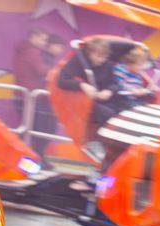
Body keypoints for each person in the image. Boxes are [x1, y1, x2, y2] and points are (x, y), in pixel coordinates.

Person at [56, 38, 117, 145]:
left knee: (121, 111)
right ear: (90, 52)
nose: (102, 60)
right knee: (108, 114)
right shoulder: (79, 61)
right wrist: (82, 85)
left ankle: (107, 144)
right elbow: (61, 81)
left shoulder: (107, 65)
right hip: (78, 100)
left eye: (104, 57)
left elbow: (115, 84)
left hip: (99, 100)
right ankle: (100, 144)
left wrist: (109, 91)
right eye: (99, 56)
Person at [13, 28, 57, 157]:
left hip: (23, 95)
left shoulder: (24, 50)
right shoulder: (32, 52)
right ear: (33, 37)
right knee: (33, 129)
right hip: (29, 97)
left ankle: (21, 155)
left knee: (29, 129)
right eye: (43, 39)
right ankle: (20, 155)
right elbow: (41, 70)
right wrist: (57, 71)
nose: (44, 43)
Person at [110, 46, 159, 111]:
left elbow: (138, 86)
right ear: (131, 64)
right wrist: (133, 90)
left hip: (134, 99)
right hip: (122, 99)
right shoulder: (120, 69)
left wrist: (142, 91)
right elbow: (118, 85)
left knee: (149, 108)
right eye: (139, 65)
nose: (141, 68)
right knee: (138, 109)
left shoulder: (137, 74)